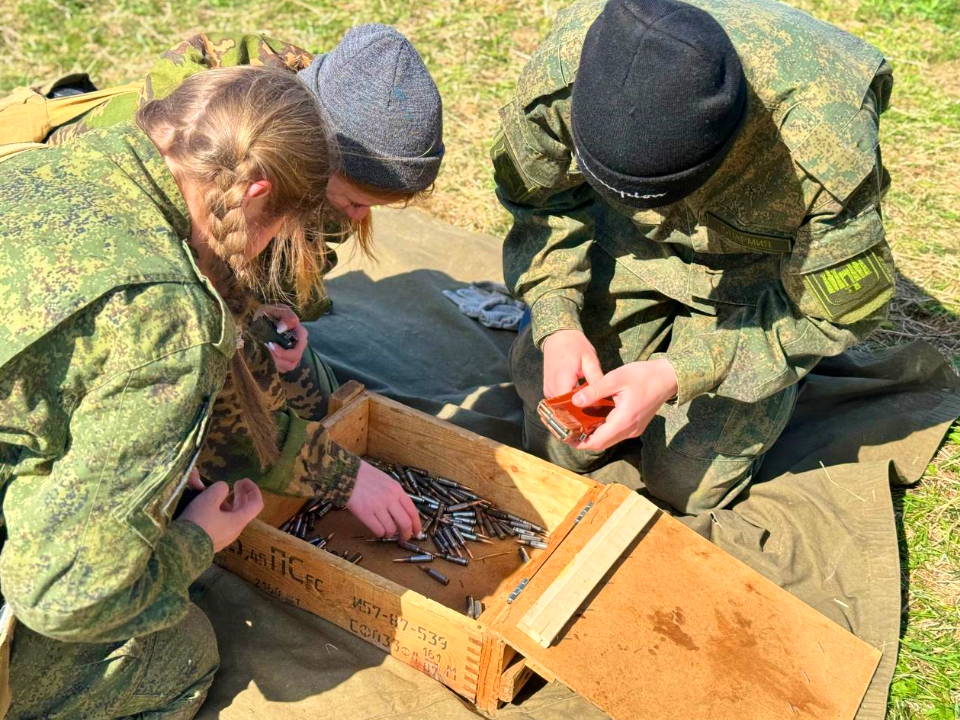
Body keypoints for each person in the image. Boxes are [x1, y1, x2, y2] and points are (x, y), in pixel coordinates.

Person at [0, 66, 420, 720]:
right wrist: (197, 541)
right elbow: (58, 593)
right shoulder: (168, 326)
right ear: (257, 193)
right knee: (181, 653)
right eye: (279, 231)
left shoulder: (54, 164)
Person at [3, 24, 445, 518]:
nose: (360, 219)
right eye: (356, 201)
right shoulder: (162, 266)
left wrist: (259, 320)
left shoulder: (295, 152)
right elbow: (192, 372)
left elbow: (238, 286)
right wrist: (343, 478)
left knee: (305, 400)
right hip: (60, 325)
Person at [494, 0, 896, 514]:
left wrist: (679, 372)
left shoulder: (823, 138)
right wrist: (557, 316)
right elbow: (539, 202)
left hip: (759, 280)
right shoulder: (562, 80)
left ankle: (778, 386)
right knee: (559, 434)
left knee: (687, 483)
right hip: (627, 243)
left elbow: (833, 311)